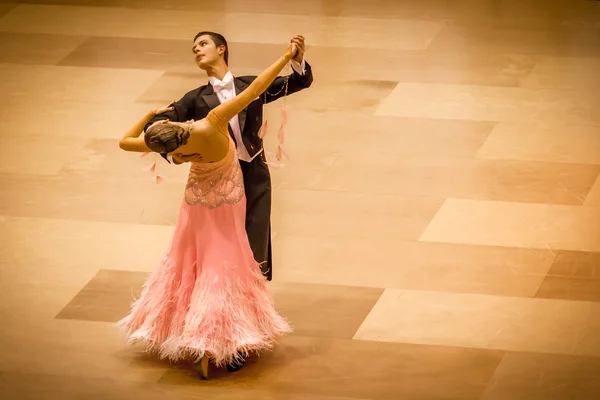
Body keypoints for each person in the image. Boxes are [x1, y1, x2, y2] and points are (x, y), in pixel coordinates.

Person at [116, 42, 300, 380]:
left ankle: (186, 330)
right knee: (227, 267)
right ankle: (229, 338)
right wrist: (286, 57)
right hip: (228, 205)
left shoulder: (179, 150)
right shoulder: (212, 123)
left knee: (191, 263)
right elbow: (258, 87)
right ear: (181, 126)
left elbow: (125, 142)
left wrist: (146, 117)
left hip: (195, 206)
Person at [143, 31, 314, 281]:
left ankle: (252, 297)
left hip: (254, 173)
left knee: (255, 236)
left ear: (222, 49)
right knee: (221, 243)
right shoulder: (195, 98)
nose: (197, 51)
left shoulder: (249, 86)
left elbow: (298, 82)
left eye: (203, 44)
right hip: (219, 178)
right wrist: (176, 154)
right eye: (194, 49)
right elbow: (157, 127)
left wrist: (298, 60)